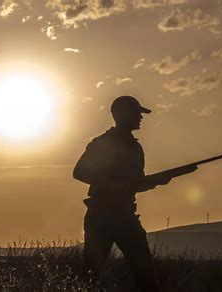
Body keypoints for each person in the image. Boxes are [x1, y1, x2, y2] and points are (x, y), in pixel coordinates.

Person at [73, 95, 177, 291]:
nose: (141, 118)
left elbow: (136, 184)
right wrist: (114, 185)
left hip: (125, 215)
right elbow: (79, 172)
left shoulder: (136, 147)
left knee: (146, 274)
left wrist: (156, 182)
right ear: (122, 115)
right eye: (137, 113)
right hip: (101, 216)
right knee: (90, 276)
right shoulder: (103, 143)